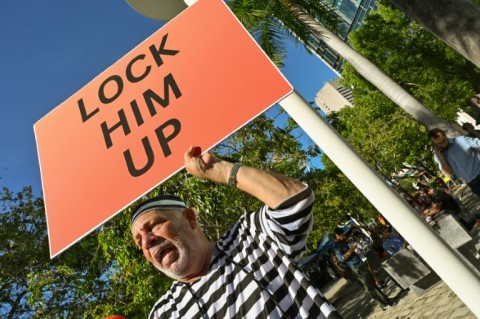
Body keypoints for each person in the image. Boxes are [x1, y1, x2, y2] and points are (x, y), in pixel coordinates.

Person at [130, 146, 340, 319]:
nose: (148, 241)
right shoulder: (163, 313)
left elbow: (295, 201)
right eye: (140, 242)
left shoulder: (250, 236)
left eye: (154, 226)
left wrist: (219, 170)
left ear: (190, 219)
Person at [332, 227, 395, 311]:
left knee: (373, 283)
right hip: (356, 268)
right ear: (337, 235)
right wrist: (351, 250)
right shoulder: (336, 247)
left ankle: (386, 299)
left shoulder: (343, 242)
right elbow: (342, 258)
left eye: (343, 234)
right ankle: (382, 305)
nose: (343, 236)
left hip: (360, 264)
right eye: (341, 235)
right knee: (369, 287)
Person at [428, 128, 480, 197]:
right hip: (473, 184)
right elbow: (448, 173)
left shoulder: (461, 140)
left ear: (445, 135)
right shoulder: (438, 156)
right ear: (434, 144)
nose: (443, 144)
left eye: (444, 140)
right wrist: (441, 158)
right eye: (439, 143)